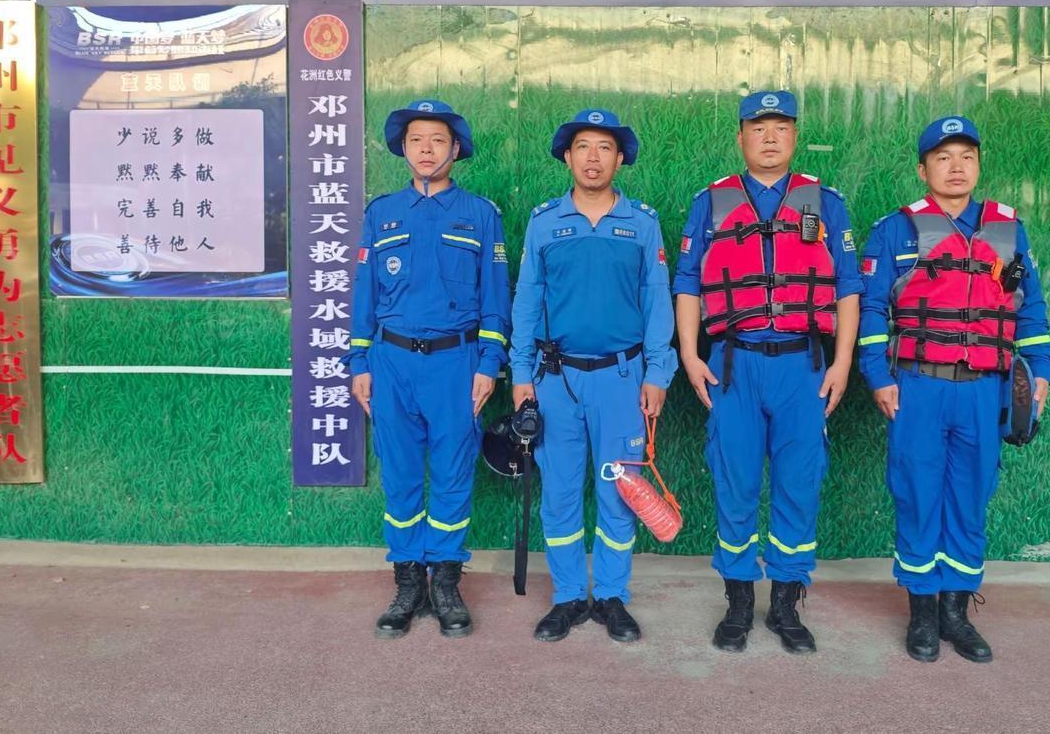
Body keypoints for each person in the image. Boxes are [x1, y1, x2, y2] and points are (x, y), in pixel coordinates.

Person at [858, 115, 1050, 663]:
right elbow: (872, 309)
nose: (956, 167)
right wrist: (878, 377)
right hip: (918, 386)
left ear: (979, 165)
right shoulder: (895, 230)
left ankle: (956, 614)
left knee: (970, 497)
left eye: (967, 156)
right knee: (918, 494)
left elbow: (1030, 309)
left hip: (984, 390)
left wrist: (1040, 370)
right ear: (923, 169)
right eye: (943, 158)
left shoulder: (1007, 230)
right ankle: (922, 614)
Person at [673, 90, 862, 654]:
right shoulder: (711, 202)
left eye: (781, 126)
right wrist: (690, 355)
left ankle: (784, 603)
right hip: (734, 364)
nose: (770, 136)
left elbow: (848, 287)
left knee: (798, 483)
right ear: (741, 137)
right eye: (758, 127)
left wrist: (843, 362)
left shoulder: (825, 203)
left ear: (795, 135)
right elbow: (688, 282)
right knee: (734, 481)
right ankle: (737, 602)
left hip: (804, 366)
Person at [345, 99, 511, 639]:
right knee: (399, 474)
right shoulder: (382, 214)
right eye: (416, 139)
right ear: (403, 148)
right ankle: (407, 582)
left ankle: (446, 582)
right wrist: (360, 361)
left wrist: (489, 364)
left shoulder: (480, 214)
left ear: (455, 149)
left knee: (453, 473)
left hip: (455, 364)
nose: (426, 149)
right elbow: (365, 294)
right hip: (391, 363)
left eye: (438, 140)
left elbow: (496, 299)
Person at [510, 109, 677, 644]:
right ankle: (566, 597)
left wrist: (658, 372)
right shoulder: (544, 222)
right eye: (583, 146)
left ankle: (610, 596)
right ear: (567, 157)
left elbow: (657, 301)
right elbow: (527, 300)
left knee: (619, 491)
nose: (593, 157)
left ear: (620, 159)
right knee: (559, 493)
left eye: (605, 148)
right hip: (555, 381)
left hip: (622, 380)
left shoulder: (642, 223)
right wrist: (520, 373)